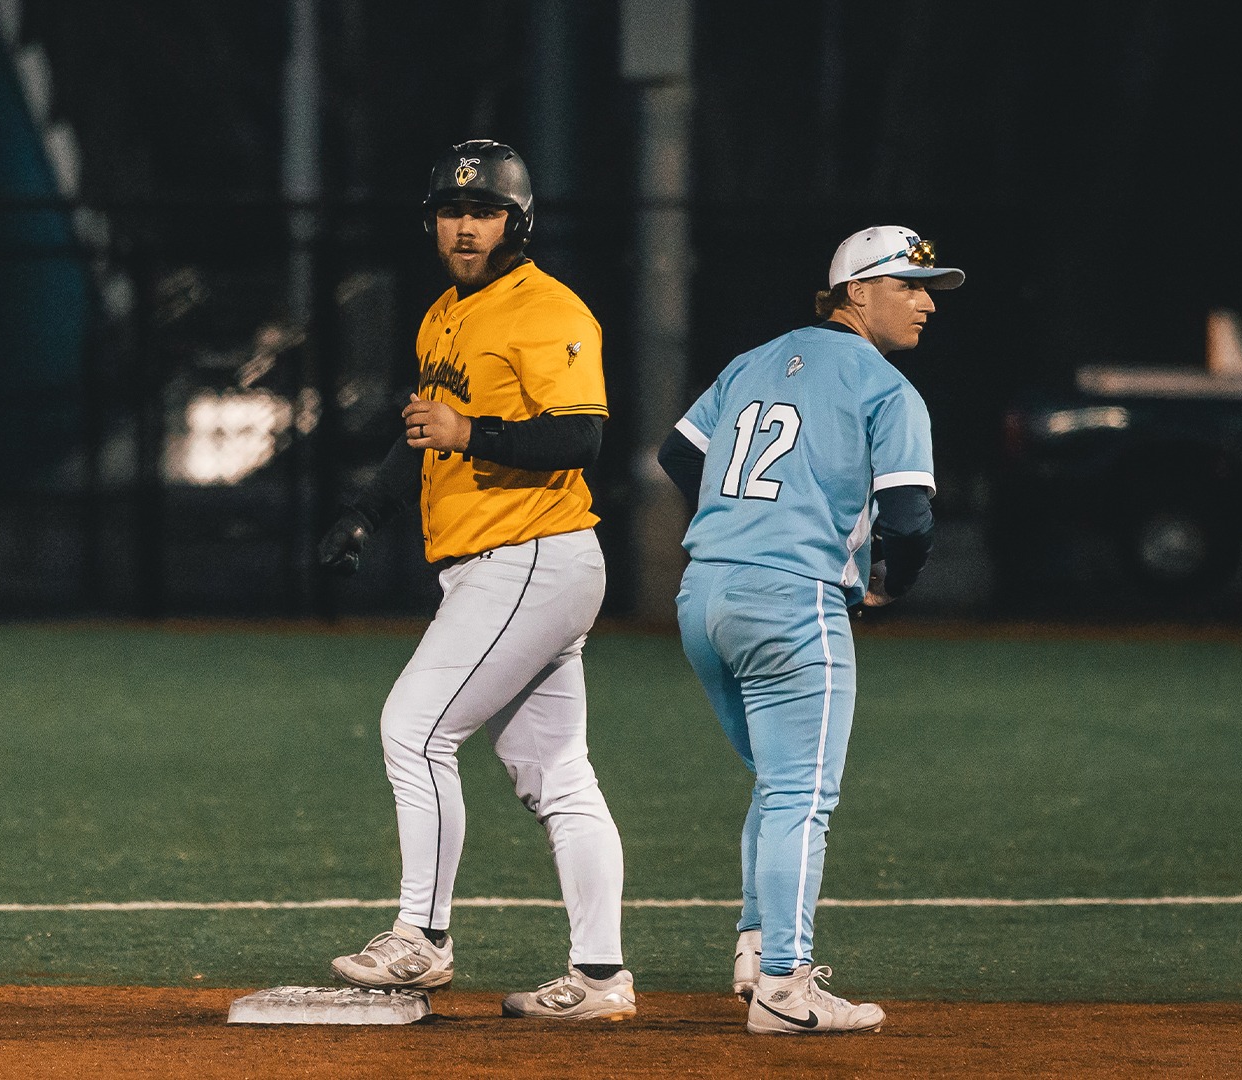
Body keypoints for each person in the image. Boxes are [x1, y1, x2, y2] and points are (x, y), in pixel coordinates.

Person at [315, 139, 633, 1022]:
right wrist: (366, 514)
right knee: (556, 774)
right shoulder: (443, 315)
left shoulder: (547, 308)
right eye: (452, 212)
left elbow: (581, 439)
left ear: (517, 222)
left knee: (413, 732)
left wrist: (472, 432)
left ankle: (424, 938)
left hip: (532, 552)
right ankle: (602, 979)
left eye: (484, 211)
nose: (465, 226)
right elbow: (423, 431)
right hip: (500, 565)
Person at [654, 225, 960, 1034]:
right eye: (910, 285)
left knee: (776, 781)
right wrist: (891, 584)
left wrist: (741, 521)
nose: (927, 303)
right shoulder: (887, 389)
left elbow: (677, 454)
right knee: (800, 794)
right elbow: (910, 516)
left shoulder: (753, 361)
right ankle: (787, 988)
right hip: (791, 604)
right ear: (857, 291)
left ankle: (756, 950)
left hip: (705, 596)